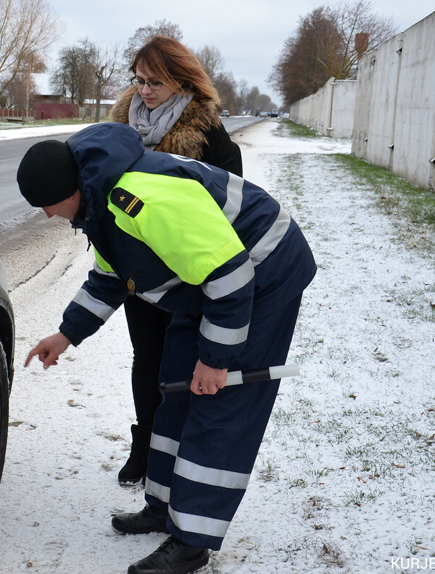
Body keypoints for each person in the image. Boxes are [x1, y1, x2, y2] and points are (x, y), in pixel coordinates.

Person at [17, 122, 315, 574]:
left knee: (218, 400)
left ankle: (191, 541)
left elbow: (232, 279)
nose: (46, 215)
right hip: (207, 284)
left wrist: (217, 360)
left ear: (70, 189)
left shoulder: (141, 200)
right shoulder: (100, 203)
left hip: (262, 271)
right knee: (175, 384)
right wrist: (66, 334)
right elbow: (110, 276)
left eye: (47, 205)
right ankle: (163, 506)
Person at [109, 35, 243, 486]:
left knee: (180, 362)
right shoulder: (119, 127)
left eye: (156, 83)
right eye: (140, 80)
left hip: (187, 273)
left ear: (182, 81)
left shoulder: (207, 131)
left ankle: (178, 450)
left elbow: (229, 204)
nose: (144, 91)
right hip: (138, 267)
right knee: (145, 357)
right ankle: (144, 445)